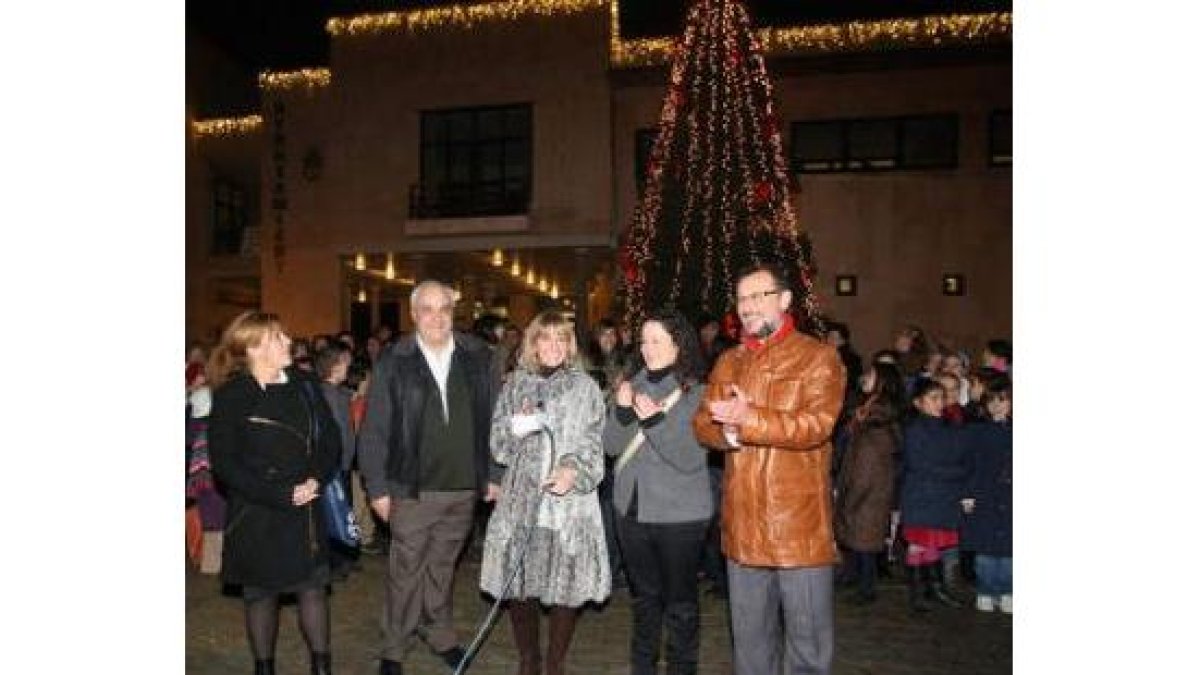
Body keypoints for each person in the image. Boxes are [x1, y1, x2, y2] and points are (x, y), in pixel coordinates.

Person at [692, 263, 846, 675]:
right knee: (751, 648)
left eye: (759, 296)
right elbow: (703, 424)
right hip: (743, 526)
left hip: (798, 529)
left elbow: (817, 426)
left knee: (808, 650)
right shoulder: (728, 360)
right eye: (742, 298)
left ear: (784, 300)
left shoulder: (818, 357)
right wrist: (727, 435)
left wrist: (748, 418)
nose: (748, 306)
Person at [357, 280, 502, 675]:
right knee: (406, 571)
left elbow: (493, 418)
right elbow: (374, 430)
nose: (437, 317)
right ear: (413, 313)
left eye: (444, 309)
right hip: (411, 489)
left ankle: (438, 633)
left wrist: (493, 472)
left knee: (441, 568)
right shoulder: (394, 359)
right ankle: (394, 645)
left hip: (463, 487)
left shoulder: (478, 355)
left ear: (453, 313)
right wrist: (378, 489)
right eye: (427, 309)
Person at [206, 311, 343, 675]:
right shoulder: (233, 395)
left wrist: (316, 478)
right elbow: (225, 463)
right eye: (278, 337)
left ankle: (322, 668)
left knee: (312, 590)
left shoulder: (305, 383)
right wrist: (278, 494)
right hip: (256, 510)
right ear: (254, 348)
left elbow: (330, 438)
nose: (289, 342)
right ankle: (264, 668)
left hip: (305, 506)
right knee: (261, 595)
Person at [481, 310, 610, 675]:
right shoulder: (515, 384)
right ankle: (528, 660)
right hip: (521, 500)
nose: (553, 345)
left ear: (570, 344)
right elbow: (498, 445)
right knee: (520, 582)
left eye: (561, 338)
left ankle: (555, 663)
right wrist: (515, 429)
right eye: (545, 337)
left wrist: (573, 470)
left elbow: (593, 444)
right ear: (533, 343)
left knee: (565, 585)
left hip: (567, 505)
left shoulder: (584, 387)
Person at [602, 309, 712, 675]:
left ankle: (682, 668)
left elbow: (690, 458)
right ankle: (643, 667)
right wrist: (620, 413)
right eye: (644, 340)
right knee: (644, 600)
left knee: (680, 603)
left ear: (678, 346)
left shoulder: (699, 392)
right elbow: (612, 447)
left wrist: (654, 421)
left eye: (657, 341)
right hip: (631, 512)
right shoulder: (632, 384)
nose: (647, 349)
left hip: (680, 517)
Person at [833, 361, 906, 605]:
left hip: (869, 492)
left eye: (871, 374)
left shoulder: (876, 421)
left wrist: (852, 496)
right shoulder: (867, 412)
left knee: (864, 541)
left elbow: (868, 463)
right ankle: (858, 581)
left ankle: (866, 589)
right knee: (860, 540)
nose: (865, 377)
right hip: (866, 490)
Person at [899, 378, 969, 612]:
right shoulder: (914, 430)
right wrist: (955, 472)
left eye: (942, 397)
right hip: (922, 498)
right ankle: (917, 593)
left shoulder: (951, 427)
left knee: (934, 546)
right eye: (934, 398)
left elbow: (963, 459)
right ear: (918, 403)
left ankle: (935, 589)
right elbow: (920, 465)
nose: (940, 403)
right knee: (919, 544)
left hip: (943, 497)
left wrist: (956, 471)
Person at [961, 375, 1013, 614]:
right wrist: (968, 494)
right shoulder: (977, 431)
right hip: (985, 493)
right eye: (992, 401)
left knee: (1010, 550)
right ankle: (986, 590)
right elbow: (970, 464)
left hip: (1010, 496)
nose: (997, 405)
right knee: (985, 549)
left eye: (1002, 400)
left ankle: (1007, 591)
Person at [315, 343, 359, 579]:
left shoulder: (337, 393)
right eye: (345, 363)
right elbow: (335, 433)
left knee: (342, 510)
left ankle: (343, 558)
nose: (348, 367)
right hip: (334, 466)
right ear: (333, 366)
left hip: (342, 463)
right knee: (334, 511)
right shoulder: (328, 395)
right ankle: (334, 562)